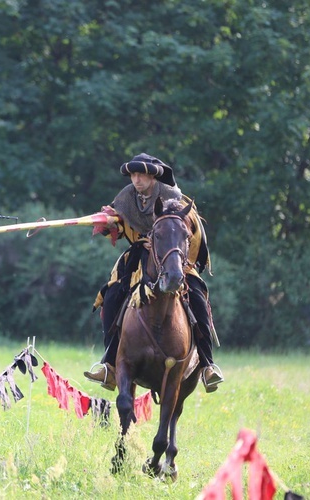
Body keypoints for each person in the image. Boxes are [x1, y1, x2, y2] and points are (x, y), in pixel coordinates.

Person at [83, 153, 224, 393]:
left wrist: (164, 245)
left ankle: (208, 364)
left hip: (175, 261)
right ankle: (109, 364)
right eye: (133, 175)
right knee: (112, 295)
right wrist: (107, 223)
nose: (136, 180)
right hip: (139, 261)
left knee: (198, 296)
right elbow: (119, 225)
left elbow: (187, 232)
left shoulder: (174, 199)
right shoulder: (126, 197)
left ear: (152, 176)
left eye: (141, 175)